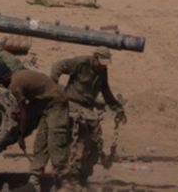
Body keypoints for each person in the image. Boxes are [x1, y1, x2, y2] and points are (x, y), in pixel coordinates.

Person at [0, 62, 74, 189]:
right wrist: (22, 109)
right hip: (46, 105)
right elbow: (36, 96)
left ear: (3, 77)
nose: (0, 84)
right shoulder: (19, 75)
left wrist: (21, 136)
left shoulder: (15, 84)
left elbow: (25, 114)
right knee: (40, 143)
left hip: (56, 105)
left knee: (55, 143)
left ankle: (65, 182)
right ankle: (34, 178)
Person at [51, 48, 125, 187]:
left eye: (105, 63)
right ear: (95, 58)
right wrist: (53, 87)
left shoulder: (102, 70)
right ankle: (70, 180)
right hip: (72, 109)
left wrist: (116, 107)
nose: (103, 66)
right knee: (76, 147)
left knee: (93, 148)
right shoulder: (80, 63)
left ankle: (83, 179)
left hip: (87, 110)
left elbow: (105, 90)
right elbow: (58, 66)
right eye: (101, 63)